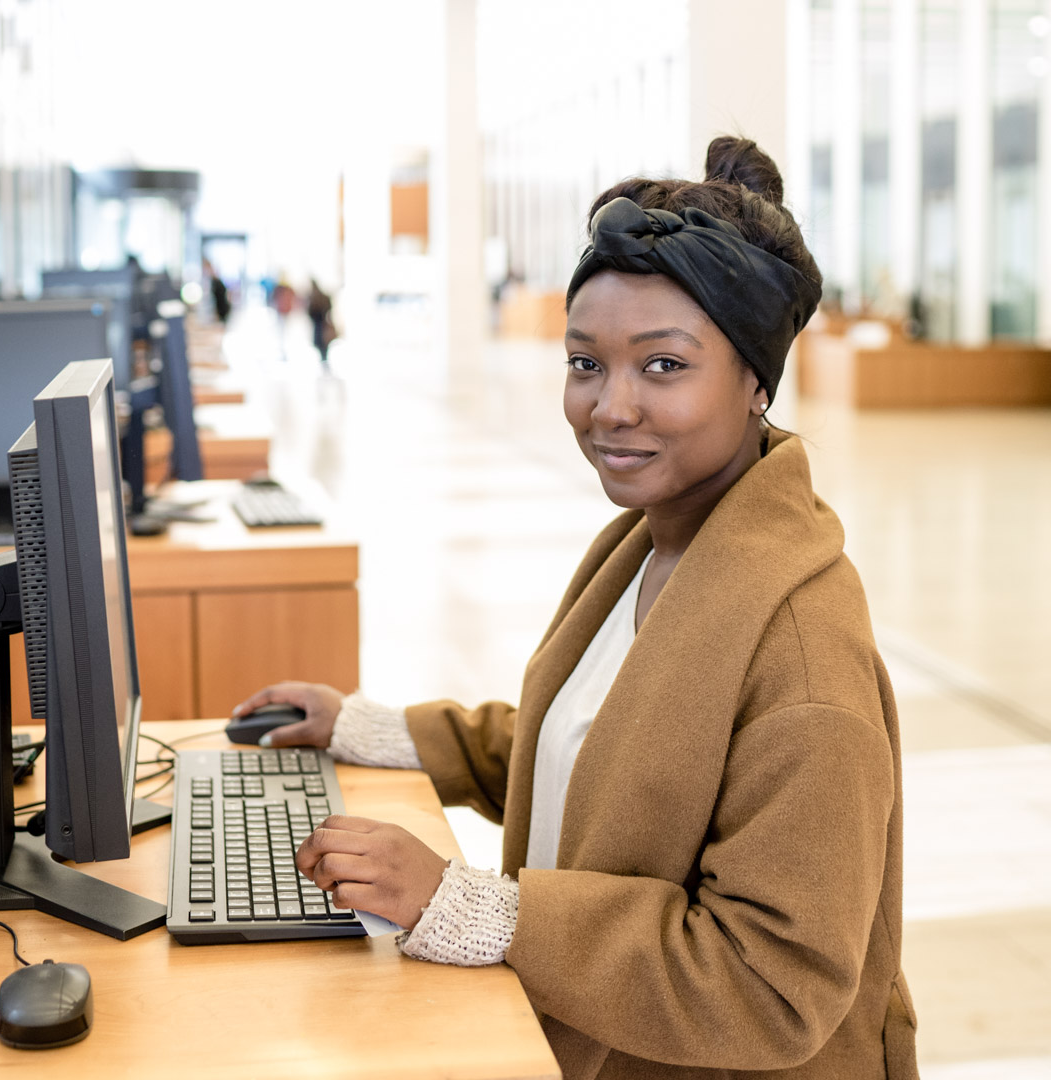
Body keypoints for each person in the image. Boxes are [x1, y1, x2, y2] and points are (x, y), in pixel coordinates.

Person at [233, 137, 919, 1079]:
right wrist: (379, 730)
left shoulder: (800, 656)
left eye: (664, 366)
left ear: (757, 381)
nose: (610, 407)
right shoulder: (654, 537)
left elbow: (773, 984)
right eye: (586, 362)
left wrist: (477, 908)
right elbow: (604, 762)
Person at [307, 277, 336, 369]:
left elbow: (310, 312)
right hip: (320, 323)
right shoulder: (320, 296)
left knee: (321, 342)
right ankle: (324, 358)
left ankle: (324, 358)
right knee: (321, 342)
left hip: (320, 324)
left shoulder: (314, 297)